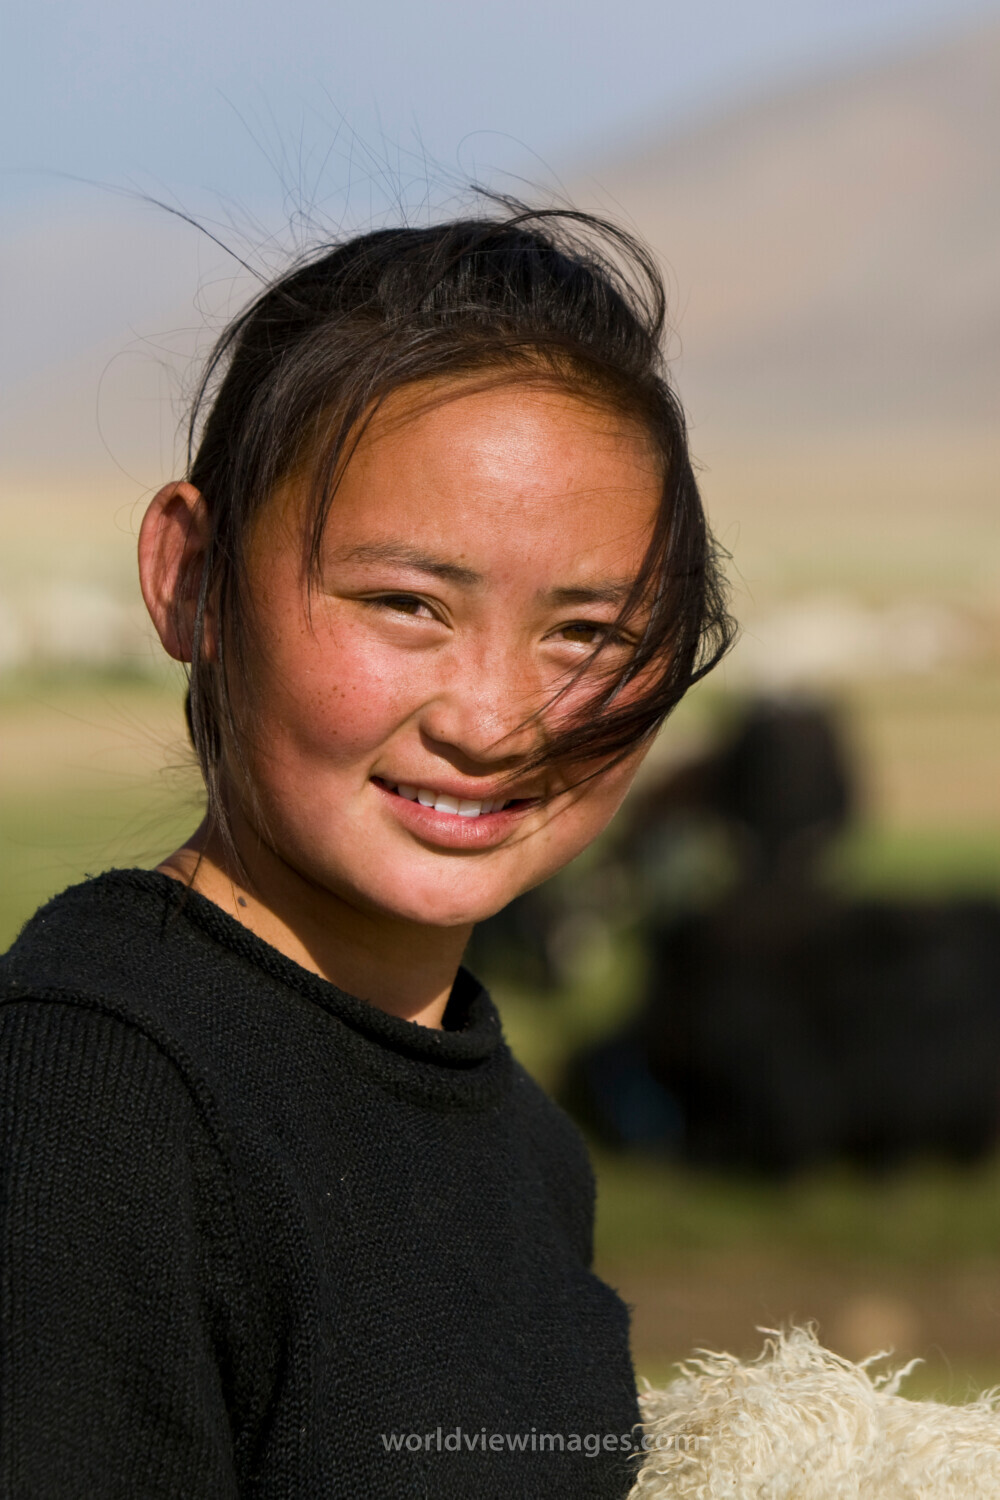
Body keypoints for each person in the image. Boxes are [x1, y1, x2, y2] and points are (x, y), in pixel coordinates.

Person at [0, 204, 733, 1497]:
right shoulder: (85, 1100)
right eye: (407, 604)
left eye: (588, 636)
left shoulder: (521, 1140)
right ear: (192, 578)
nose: (493, 718)